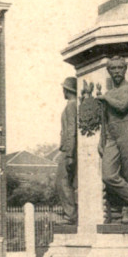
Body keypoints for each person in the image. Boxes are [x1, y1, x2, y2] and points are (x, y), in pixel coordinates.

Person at [98, 56, 128, 223]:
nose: (117, 71)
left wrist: (105, 98)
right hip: (111, 135)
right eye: (113, 68)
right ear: (109, 71)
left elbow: (123, 106)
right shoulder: (109, 94)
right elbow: (104, 120)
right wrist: (101, 141)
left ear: (125, 69)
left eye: (120, 68)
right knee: (108, 175)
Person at [55, 76, 78, 223]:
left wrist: (69, 154)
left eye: (64, 88)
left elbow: (71, 130)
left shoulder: (71, 105)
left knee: (62, 182)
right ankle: (71, 213)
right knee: (67, 183)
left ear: (67, 89)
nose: (62, 91)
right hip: (68, 149)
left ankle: (70, 215)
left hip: (68, 150)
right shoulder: (73, 104)